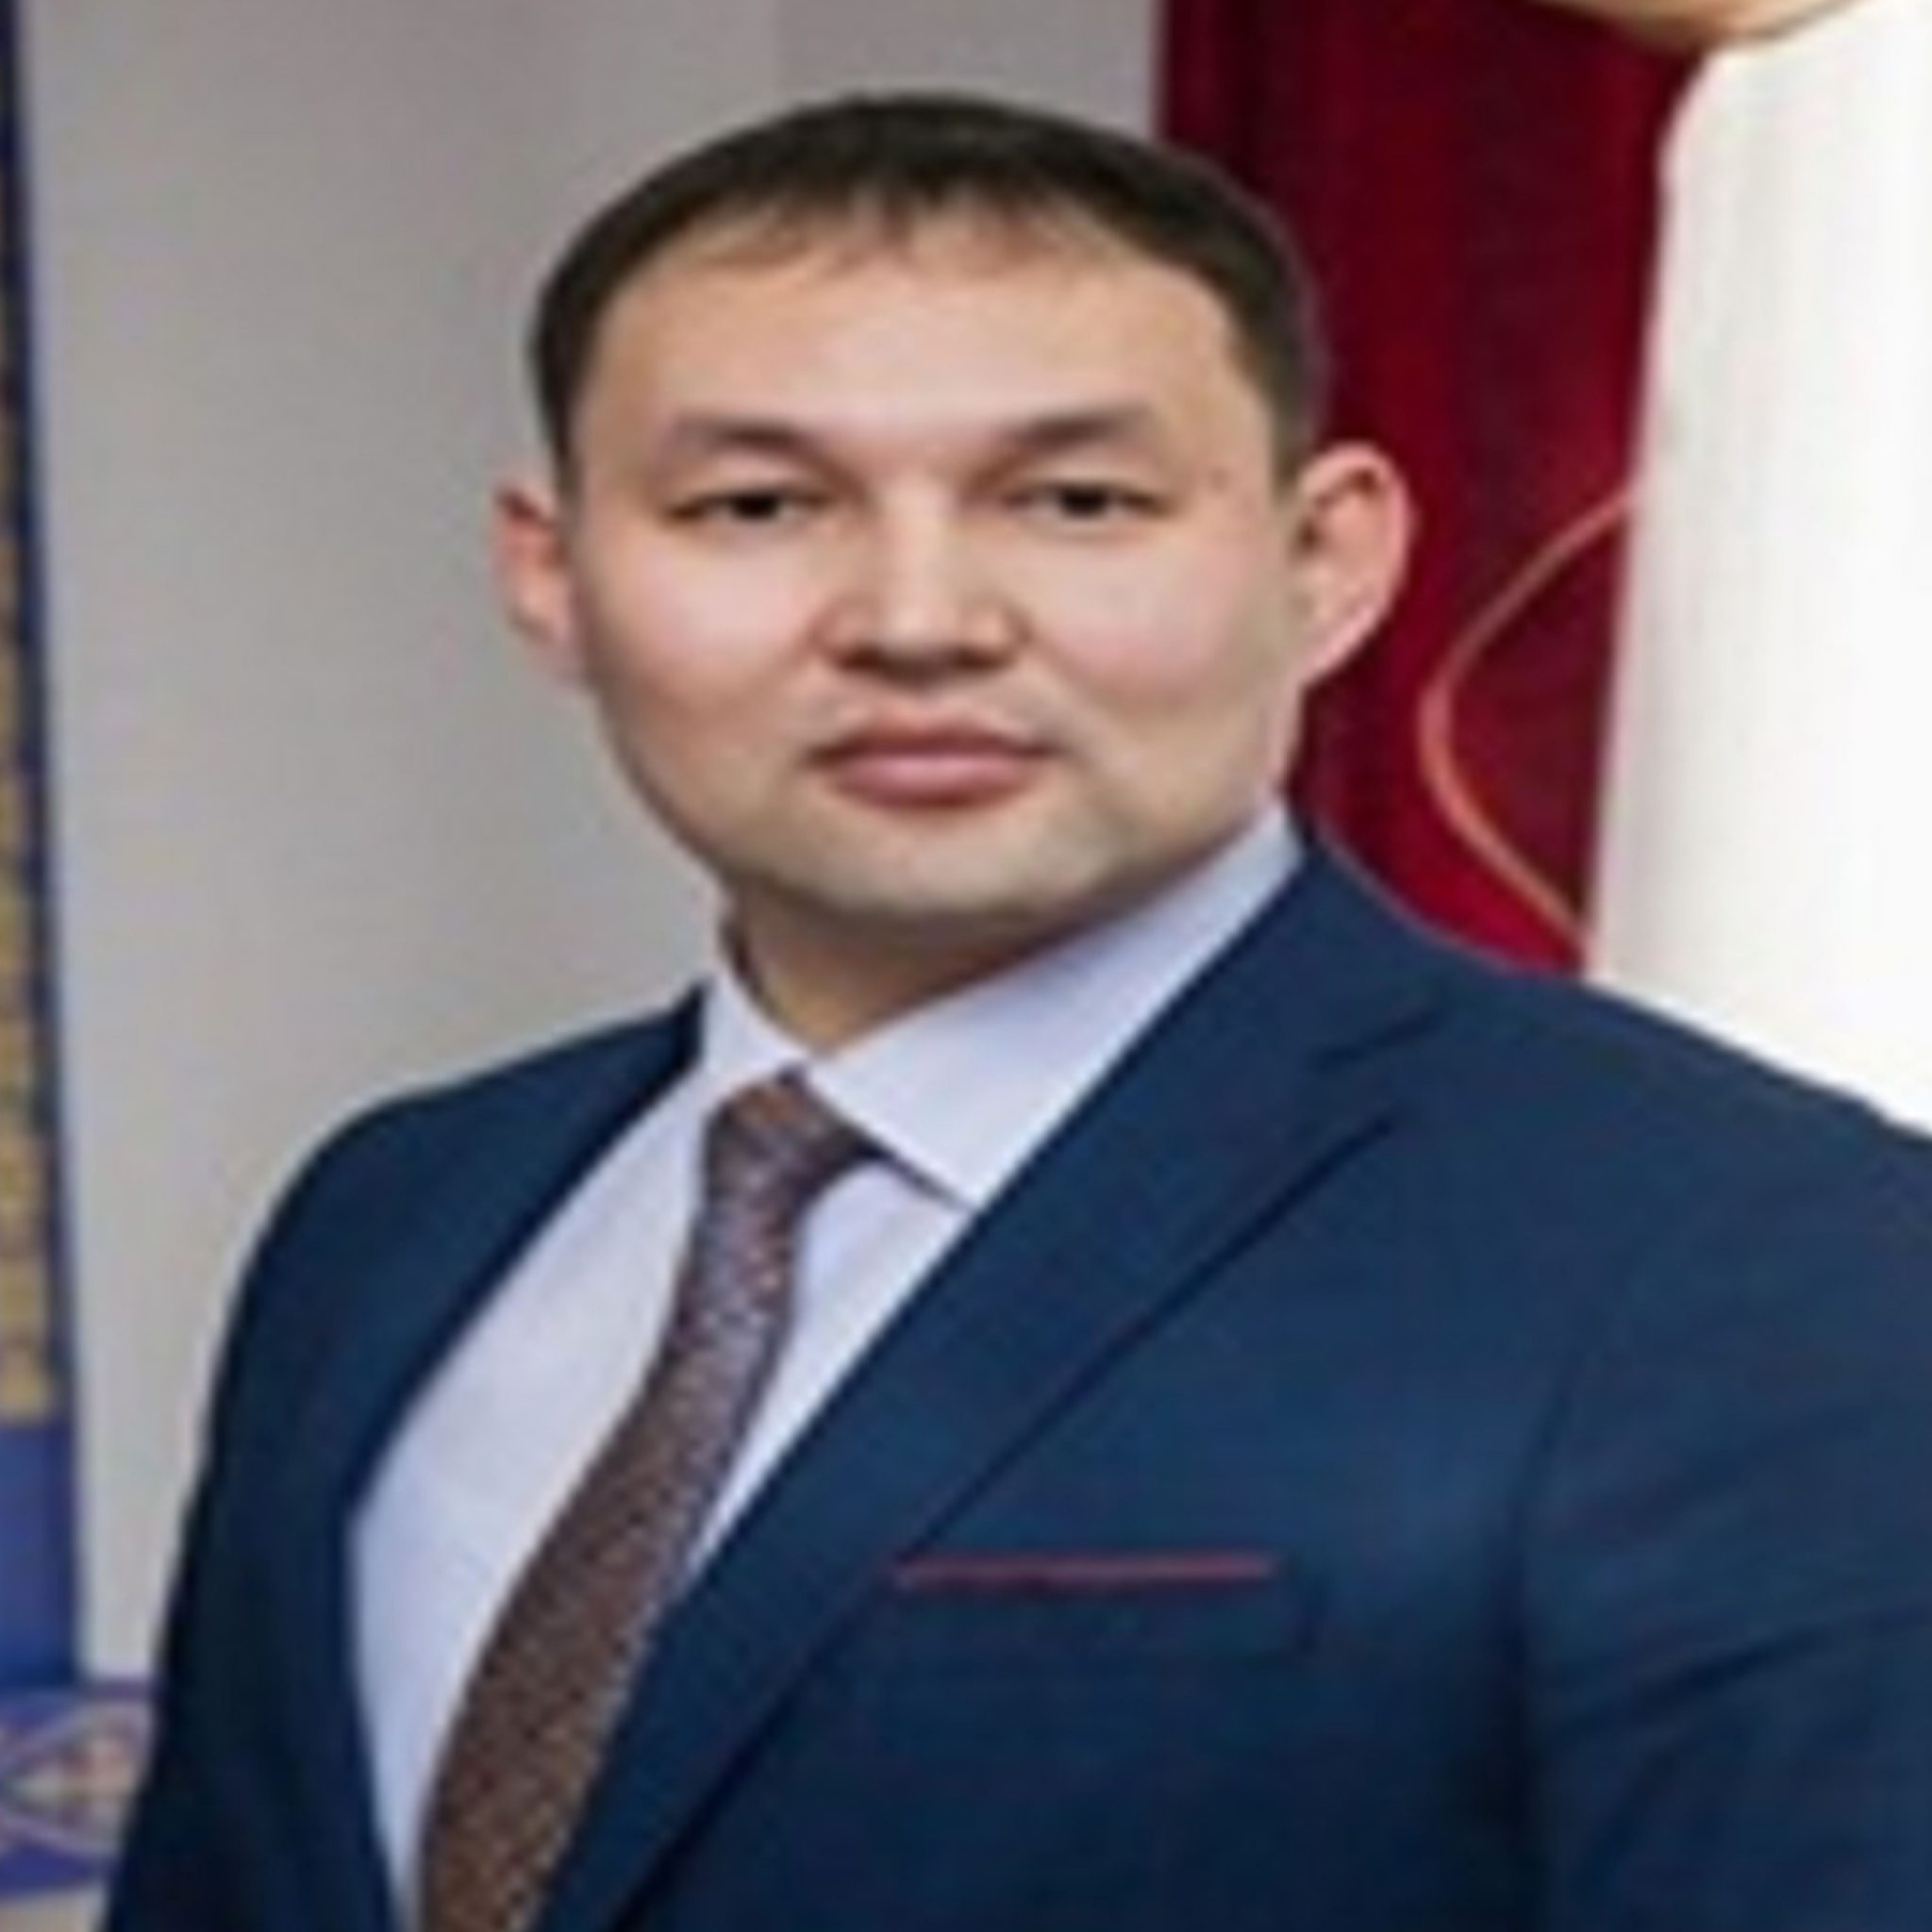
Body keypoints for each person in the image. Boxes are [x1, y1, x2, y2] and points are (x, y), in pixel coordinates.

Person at [107, 92, 1932, 1932]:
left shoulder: (1756, 1249)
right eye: (758, 506)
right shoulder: (394, 1214)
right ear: (550, 571)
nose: (919, 620)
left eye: (1076, 502)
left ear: (1327, 559)